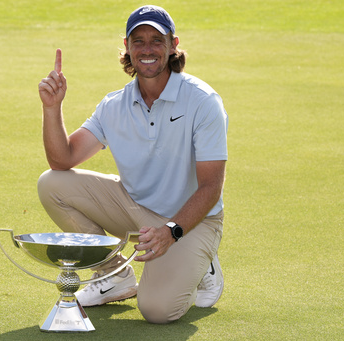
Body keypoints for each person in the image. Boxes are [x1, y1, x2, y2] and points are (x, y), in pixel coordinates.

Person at [37, 5, 228, 324]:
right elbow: (63, 159)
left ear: (173, 45)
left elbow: (211, 187)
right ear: (126, 47)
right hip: (136, 209)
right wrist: (52, 108)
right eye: (138, 41)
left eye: (157, 40)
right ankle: (114, 275)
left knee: (157, 311)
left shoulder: (202, 101)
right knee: (52, 183)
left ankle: (202, 260)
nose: (148, 49)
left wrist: (171, 231)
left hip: (191, 222)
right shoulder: (114, 104)